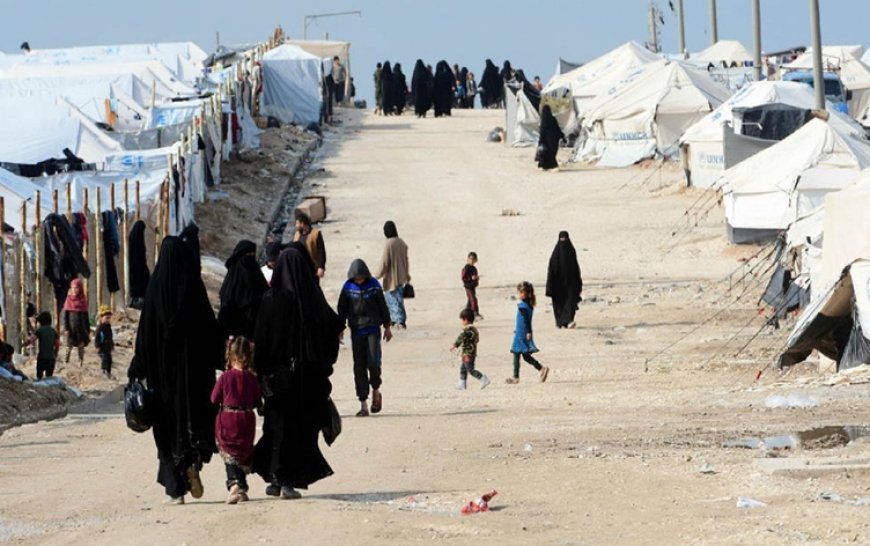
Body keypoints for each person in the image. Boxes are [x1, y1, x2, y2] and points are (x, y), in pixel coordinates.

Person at [127, 236, 224, 504]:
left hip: (163, 381)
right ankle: (191, 462)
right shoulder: (194, 290)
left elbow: (144, 337)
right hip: (194, 379)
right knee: (193, 423)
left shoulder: (155, 292)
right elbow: (211, 331)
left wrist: (138, 368)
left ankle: (175, 488)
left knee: (167, 428)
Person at [253, 245, 343, 499]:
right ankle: (287, 481)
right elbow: (332, 328)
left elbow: (261, 342)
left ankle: (274, 478)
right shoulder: (311, 300)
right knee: (298, 431)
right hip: (304, 383)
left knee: (275, 429)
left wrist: (262, 376)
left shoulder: (271, 301)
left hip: (276, 383)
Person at [337, 259, 392, 417]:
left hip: (373, 329)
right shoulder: (348, 287)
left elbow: (382, 306)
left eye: (361, 277)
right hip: (357, 331)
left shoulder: (374, 285)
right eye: (356, 278)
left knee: (373, 362)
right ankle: (363, 404)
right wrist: (340, 328)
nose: (359, 280)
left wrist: (387, 326)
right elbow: (342, 309)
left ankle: (376, 390)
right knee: (359, 367)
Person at [211, 336, 261, 505]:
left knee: (229, 451)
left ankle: (234, 485)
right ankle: (242, 486)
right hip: (246, 418)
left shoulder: (225, 378)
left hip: (227, 418)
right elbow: (256, 400)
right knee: (242, 451)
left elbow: (213, 398)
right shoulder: (252, 378)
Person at [219, 240, 269, 339]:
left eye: (253, 255)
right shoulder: (232, 279)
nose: (250, 257)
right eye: (248, 254)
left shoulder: (256, 274)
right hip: (232, 327)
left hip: (250, 331)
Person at [506, 281, 549, 384]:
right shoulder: (528, 305)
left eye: (522, 293)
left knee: (516, 352)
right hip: (521, 332)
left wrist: (528, 331)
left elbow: (526, 320)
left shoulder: (523, 306)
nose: (520, 295)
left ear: (527, 293)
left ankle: (516, 377)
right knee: (525, 355)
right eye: (519, 293)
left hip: (522, 333)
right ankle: (541, 369)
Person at [375, 221, 410, 328]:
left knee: (392, 299)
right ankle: (400, 320)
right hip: (401, 276)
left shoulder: (388, 244)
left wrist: (377, 275)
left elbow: (384, 262)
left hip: (391, 278)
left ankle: (398, 320)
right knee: (399, 299)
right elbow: (406, 260)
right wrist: (407, 275)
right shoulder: (401, 242)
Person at [546, 231, 583, 329]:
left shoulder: (571, 251)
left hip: (571, 283)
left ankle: (569, 320)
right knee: (559, 304)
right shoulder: (555, 255)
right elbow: (551, 270)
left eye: (565, 239)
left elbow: (575, 267)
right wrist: (550, 286)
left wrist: (578, 282)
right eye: (561, 240)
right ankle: (560, 322)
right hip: (558, 284)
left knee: (570, 302)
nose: (563, 242)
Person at [450, 309, 490, 390]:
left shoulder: (468, 330)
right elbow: (476, 340)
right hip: (469, 352)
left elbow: (461, 338)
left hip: (468, 353)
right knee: (463, 368)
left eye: (462, 320)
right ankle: (462, 383)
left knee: (470, 369)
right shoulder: (474, 330)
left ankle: (483, 378)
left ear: (466, 319)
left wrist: (454, 345)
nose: (461, 322)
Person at [62, 278, 89, 366]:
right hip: (71, 328)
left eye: (77, 288)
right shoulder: (68, 300)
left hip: (81, 328)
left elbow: (86, 317)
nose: (75, 290)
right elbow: (65, 317)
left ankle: (80, 361)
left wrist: (88, 329)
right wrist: (66, 328)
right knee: (68, 345)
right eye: (73, 288)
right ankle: (66, 361)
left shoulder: (83, 301)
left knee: (81, 345)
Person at [291, 211, 326, 280]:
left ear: (302, 224)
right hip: (300, 269)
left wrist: (321, 267)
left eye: (297, 223)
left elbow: (321, 251)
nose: (296, 226)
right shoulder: (297, 234)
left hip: (312, 269)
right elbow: (291, 246)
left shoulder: (315, 234)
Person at [30, 312, 59, 380]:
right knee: (49, 376)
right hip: (51, 358)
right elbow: (57, 344)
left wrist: (25, 344)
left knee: (39, 376)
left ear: (41, 321)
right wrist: (55, 353)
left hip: (42, 357)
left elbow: (32, 339)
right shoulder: (53, 331)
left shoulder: (40, 330)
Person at [536, 105, 564, 171]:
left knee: (546, 153)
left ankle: (549, 166)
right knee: (551, 154)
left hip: (547, 141)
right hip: (554, 141)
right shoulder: (553, 119)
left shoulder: (544, 120)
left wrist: (540, 140)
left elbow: (542, 131)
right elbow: (558, 129)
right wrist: (562, 136)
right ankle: (548, 166)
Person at [94, 304, 114, 378]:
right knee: (104, 359)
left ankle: (108, 372)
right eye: (106, 318)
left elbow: (110, 337)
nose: (108, 320)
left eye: (109, 318)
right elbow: (97, 338)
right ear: (101, 318)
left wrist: (112, 345)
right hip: (102, 347)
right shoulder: (100, 328)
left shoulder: (108, 327)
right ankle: (104, 371)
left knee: (109, 360)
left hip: (107, 347)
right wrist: (97, 346)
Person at [461, 251, 482, 319]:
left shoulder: (474, 268)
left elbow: (474, 277)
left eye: (473, 259)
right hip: (468, 287)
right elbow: (463, 277)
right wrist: (471, 278)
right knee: (473, 299)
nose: (472, 261)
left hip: (472, 286)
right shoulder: (467, 267)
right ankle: (475, 313)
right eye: (470, 259)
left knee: (470, 301)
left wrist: (476, 279)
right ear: (468, 259)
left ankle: (465, 315)